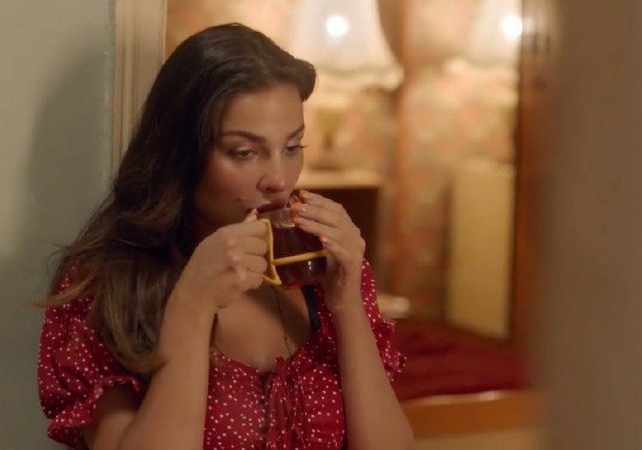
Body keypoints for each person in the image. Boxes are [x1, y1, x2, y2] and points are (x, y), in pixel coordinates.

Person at [37, 23, 413, 450]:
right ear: (181, 154)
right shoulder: (107, 283)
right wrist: (191, 305)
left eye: (292, 147)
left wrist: (347, 304)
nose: (279, 180)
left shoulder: (320, 273)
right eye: (244, 152)